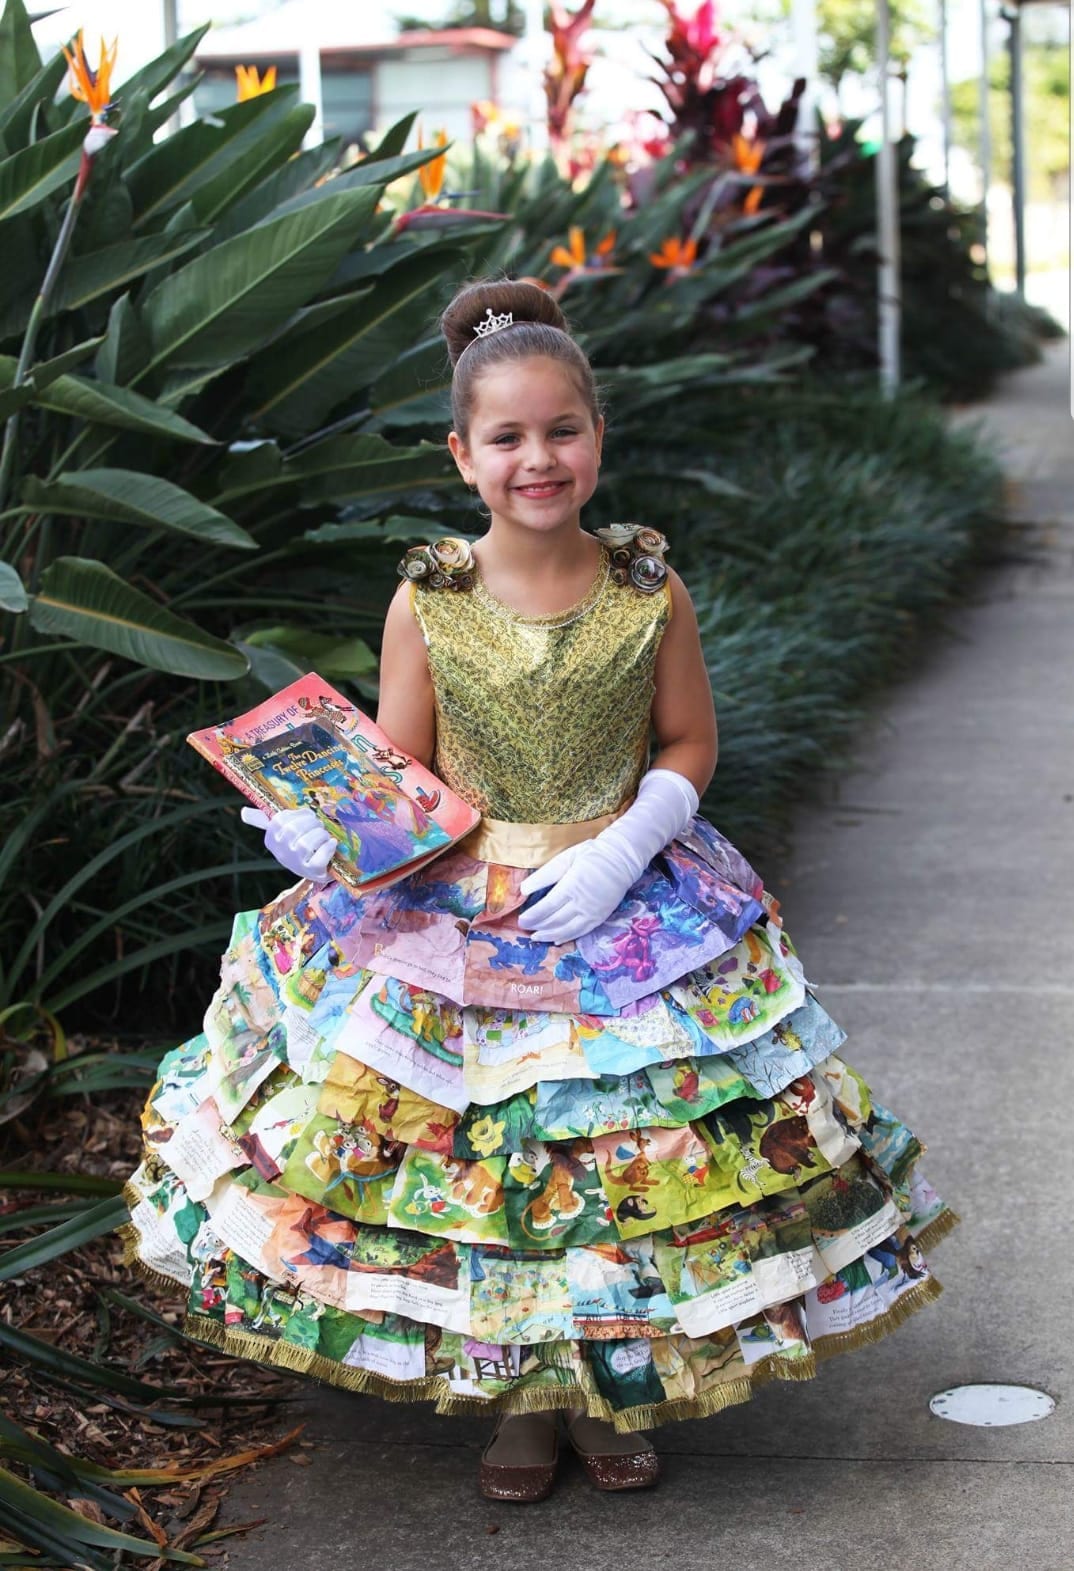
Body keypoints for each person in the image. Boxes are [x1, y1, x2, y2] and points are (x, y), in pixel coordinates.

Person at [124, 278, 957, 1505]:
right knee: (497, 1155)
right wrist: (326, 834)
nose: (538, 458)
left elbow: (688, 744)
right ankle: (523, 1397)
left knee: (617, 1153)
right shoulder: (431, 599)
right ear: (463, 456)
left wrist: (627, 843)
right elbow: (403, 774)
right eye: (507, 437)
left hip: (627, 906)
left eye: (561, 429)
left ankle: (605, 1380)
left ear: (598, 438)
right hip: (459, 913)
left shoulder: (645, 588)